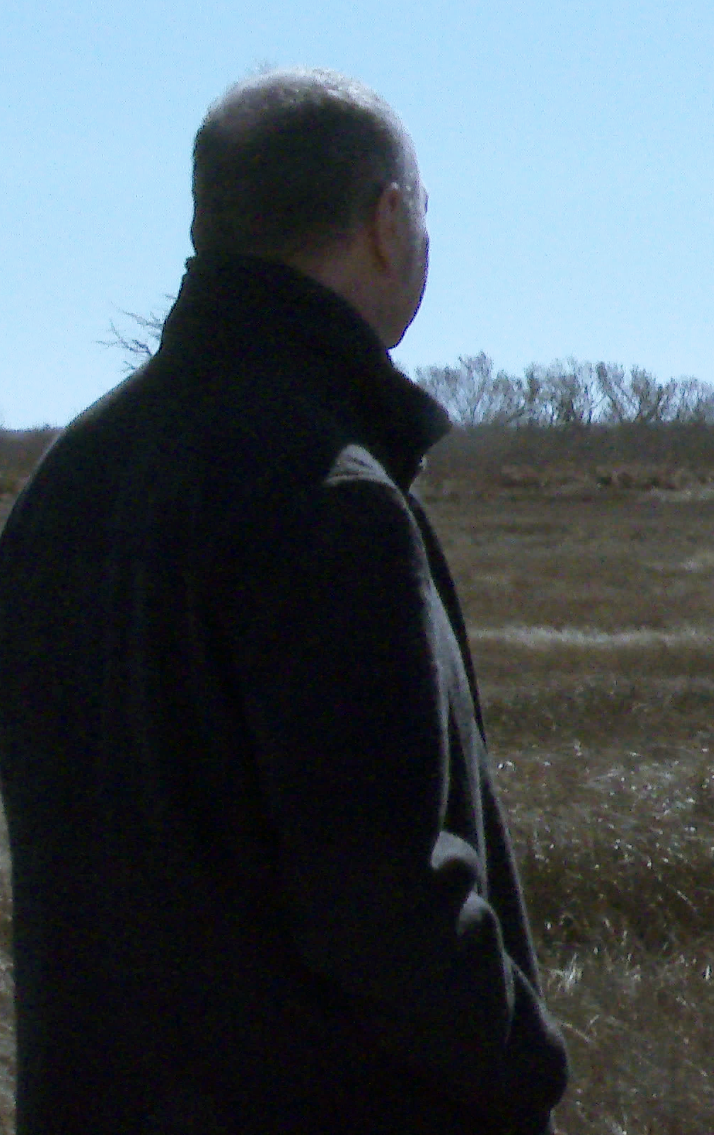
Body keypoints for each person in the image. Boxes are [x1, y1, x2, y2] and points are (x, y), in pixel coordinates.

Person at [0, 71, 569, 1133]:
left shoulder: (68, 482)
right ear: (388, 223)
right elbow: (385, 898)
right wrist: (523, 1071)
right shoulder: (326, 493)